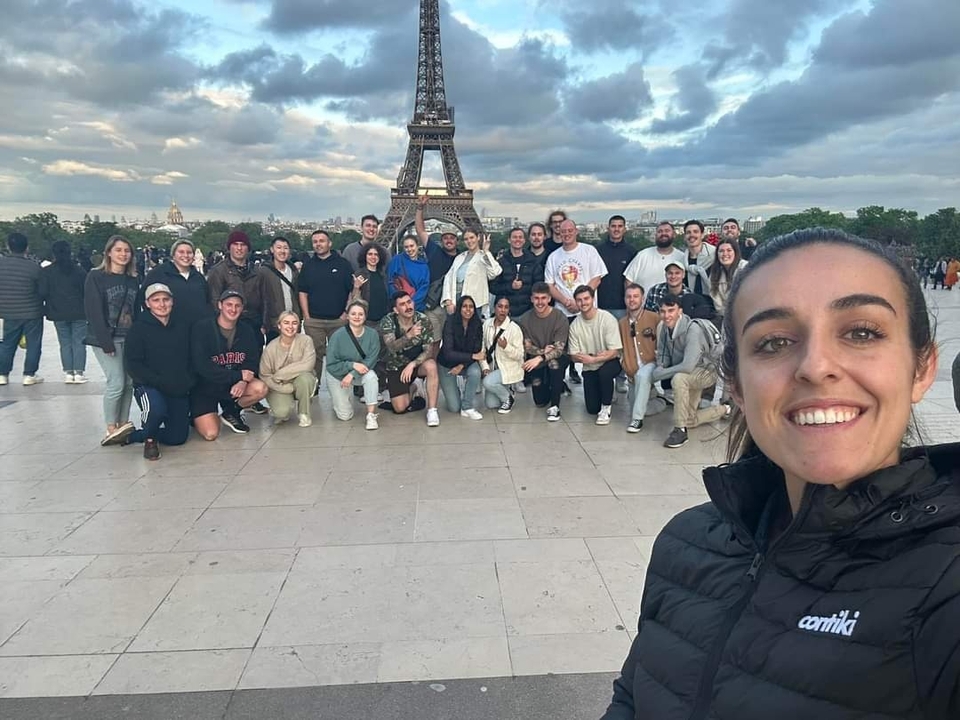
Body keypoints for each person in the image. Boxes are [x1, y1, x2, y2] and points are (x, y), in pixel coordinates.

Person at [602, 227, 960, 720]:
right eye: (773, 342)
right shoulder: (685, 543)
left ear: (921, 369)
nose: (815, 366)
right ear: (738, 388)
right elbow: (633, 698)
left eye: (861, 332)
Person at [123, 283, 194, 460]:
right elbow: (133, 364)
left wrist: (188, 379)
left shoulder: (183, 325)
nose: (161, 304)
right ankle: (149, 439)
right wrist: (158, 381)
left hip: (178, 386)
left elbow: (193, 355)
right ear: (147, 303)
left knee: (178, 438)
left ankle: (135, 435)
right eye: (156, 300)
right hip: (149, 386)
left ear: (172, 301)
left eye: (165, 300)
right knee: (155, 410)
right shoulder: (138, 329)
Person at [84, 235, 141, 445]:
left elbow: (135, 310)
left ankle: (123, 424)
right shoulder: (96, 277)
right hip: (106, 338)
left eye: (127, 251)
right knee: (116, 381)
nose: (123, 254)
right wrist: (105, 341)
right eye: (119, 250)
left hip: (128, 336)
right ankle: (110, 426)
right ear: (109, 253)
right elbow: (93, 311)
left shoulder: (133, 279)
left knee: (129, 382)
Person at [652, 295, 730, 448]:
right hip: (690, 374)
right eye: (663, 311)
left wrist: (659, 374)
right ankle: (725, 409)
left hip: (706, 371)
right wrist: (661, 365)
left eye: (671, 310)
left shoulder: (693, 329)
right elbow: (663, 353)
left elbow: (687, 366)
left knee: (679, 379)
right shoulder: (664, 328)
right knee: (690, 420)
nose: (666, 315)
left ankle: (680, 431)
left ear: (680, 311)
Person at [190, 290, 269, 438]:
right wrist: (237, 376)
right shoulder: (202, 328)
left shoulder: (246, 330)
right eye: (229, 305)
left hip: (231, 387)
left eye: (237, 306)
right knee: (211, 434)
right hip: (206, 387)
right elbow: (202, 366)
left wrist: (243, 381)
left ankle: (231, 411)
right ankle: (196, 416)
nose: (233, 309)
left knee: (260, 388)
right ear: (220, 305)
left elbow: (251, 362)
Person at [544, 218, 608, 387]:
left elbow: (597, 278)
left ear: (576, 231)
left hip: (586, 311)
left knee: (593, 347)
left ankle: (595, 383)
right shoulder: (553, 256)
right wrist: (566, 301)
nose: (566, 234)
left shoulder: (589, 251)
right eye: (563, 231)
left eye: (569, 231)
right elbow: (549, 285)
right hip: (563, 311)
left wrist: (579, 301)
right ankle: (560, 382)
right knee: (563, 350)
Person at [379, 291, 442, 426]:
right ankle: (414, 386)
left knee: (431, 365)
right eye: (402, 304)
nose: (408, 307)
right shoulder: (388, 321)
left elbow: (428, 350)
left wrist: (413, 364)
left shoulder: (423, 319)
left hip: (416, 364)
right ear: (396, 310)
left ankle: (432, 411)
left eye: (409, 302)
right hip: (396, 365)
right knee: (400, 408)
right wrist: (409, 335)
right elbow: (391, 347)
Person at [297, 230, 354, 376]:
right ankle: (314, 388)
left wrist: (345, 313)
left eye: (321, 241)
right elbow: (302, 291)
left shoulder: (343, 264)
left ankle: (340, 387)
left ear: (329, 243)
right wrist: (307, 316)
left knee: (340, 355)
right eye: (315, 242)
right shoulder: (308, 266)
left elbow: (351, 291)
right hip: (314, 320)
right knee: (313, 357)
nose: (318, 244)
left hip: (338, 320)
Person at [568, 285, 622, 425]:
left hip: (610, 362)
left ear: (593, 299)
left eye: (586, 298)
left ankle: (606, 408)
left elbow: (614, 351)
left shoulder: (607, 318)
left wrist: (593, 358)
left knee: (605, 373)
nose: (583, 303)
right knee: (592, 409)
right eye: (579, 300)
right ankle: (606, 392)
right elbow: (573, 355)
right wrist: (586, 358)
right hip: (589, 367)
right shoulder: (575, 325)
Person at [324, 301, 380, 430]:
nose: (357, 317)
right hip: (337, 374)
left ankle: (371, 415)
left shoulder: (372, 334)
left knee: (371, 377)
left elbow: (371, 360)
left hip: (359, 373)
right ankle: (341, 397)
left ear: (365, 317)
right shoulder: (337, 336)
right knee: (345, 415)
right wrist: (352, 365)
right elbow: (331, 364)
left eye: (361, 314)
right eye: (353, 313)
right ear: (347, 316)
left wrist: (352, 374)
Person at [518, 282, 570, 422]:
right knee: (539, 401)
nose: (540, 302)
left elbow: (559, 349)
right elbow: (527, 346)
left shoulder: (560, 317)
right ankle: (554, 384)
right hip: (537, 358)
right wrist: (542, 353)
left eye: (543, 298)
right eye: (536, 298)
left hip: (557, 358)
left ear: (549, 299)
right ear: (531, 299)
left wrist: (541, 357)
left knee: (553, 364)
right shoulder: (525, 319)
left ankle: (555, 406)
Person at [206, 230, 266, 347]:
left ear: (248, 249)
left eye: (243, 245)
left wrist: (264, 324)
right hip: (229, 325)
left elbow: (265, 299)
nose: (239, 248)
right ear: (229, 248)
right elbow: (214, 299)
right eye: (236, 244)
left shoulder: (257, 271)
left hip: (253, 325)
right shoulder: (218, 271)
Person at [0, 232, 44, 387]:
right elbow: (42, 290)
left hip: (8, 311)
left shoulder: (1, 265)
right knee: (33, 344)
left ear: (8, 246)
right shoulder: (34, 267)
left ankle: (3, 374)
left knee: (7, 343)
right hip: (32, 311)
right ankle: (29, 374)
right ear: (26, 248)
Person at [260, 311, 318, 428]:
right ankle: (280, 408)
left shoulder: (306, 341)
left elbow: (308, 364)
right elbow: (265, 375)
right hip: (279, 386)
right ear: (279, 325)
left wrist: (280, 375)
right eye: (286, 323)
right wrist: (285, 388)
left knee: (305, 379)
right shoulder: (270, 348)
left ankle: (304, 413)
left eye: (294, 323)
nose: (290, 327)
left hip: (297, 380)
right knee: (281, 413)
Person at [618, 283, 663, 433]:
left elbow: (664, 341)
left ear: (642, 298)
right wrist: (623, 363)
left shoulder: (655, 318)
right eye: (629, 296)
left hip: (652, 364)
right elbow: (619, 350)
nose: (632, 300)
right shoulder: (621, 324)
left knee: (643, 376)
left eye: (636, 296)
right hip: (632, 371)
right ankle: (661, 401)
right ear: (624, 299)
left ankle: (637, 420)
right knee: (639, 406)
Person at [414, 195, 459, 340]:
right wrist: (420, 208)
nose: (449, 240)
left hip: (453, 306)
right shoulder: (434, 250)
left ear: (457, 241)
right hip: (433, 306)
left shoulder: (462, 258)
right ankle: (432, 362)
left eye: (452, 238)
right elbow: (420, 231)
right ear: (441, 240)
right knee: (433, 340)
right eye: (446, 238)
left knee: (450, 341)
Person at [42, 240, 88, 384]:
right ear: (70, 253)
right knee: (79, 342)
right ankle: (79, 373)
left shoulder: (47, 272)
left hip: (57, 312)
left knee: (65, 343)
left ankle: (68, 372)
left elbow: (42, 292)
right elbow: (86, 291)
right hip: (79, 311)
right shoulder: (79, 270)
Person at [139, 239, 211, 329]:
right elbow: (143, 298)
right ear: (173, 255)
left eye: (189, 252)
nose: (185, 255)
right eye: (181, 252)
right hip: (169, 329)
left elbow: (207, 301)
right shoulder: (158, 273)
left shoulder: (198, 277)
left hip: (198, 330)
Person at [437, 295, 485, 419]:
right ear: (459, 308)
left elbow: (476, 350)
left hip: (465, 363)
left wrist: (461, 365)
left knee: (475, 372)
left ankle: (467, 407)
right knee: (453, 408)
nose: (468, 310)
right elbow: (448, 353)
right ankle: (456, 391)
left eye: (471, 307)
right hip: (446, 364)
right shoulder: (450, 322)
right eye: (464, 306)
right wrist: (472, 356)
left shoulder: (477, 323)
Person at [441, 227, 502, 319]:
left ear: (478, 237)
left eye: (472, 237)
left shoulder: (483, 257)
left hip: (475, 304)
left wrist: (486, 251)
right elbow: (448, 279)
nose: (469, 241)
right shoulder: (460, 257)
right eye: (466, 239)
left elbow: (495, 272)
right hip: (456, 301)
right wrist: (448, 301)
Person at [480, 297, 525, 414]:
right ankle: (507, 390)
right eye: (500, 306)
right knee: (491, 405)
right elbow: (482, 348)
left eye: (506, 307)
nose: (503, 310)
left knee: (487, 383)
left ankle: (508, 398)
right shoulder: (486, 325)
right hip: (493, 367)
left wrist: (506, 347)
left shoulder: (514, 328)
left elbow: (520, 355)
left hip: (509, 367)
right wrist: (485, 367)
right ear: (494, 308)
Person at [623, 221, 687, 296]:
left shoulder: (682, 257)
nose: (663, 234)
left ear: (674, 235)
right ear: (655, 235)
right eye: (660, 231)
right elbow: (628, 281)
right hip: (644, 307)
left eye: (667, 231)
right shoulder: (643, 255)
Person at [490, 227, 542, 318]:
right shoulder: (500, 263)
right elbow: (493, 287)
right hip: (506, 313)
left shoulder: (533, 262)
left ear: (524, 240)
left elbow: (539, 286)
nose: (517, 239)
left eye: (520, 237)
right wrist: (510, 287)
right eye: (514, 237)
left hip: (528, 312)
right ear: (509, 240)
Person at [596, 215, 637, 320]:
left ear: (625, 229)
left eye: (620, 226)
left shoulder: (631, 252)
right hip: (600, 305)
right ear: (608, 228)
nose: (616, 229)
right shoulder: (598, 251)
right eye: (613, 226)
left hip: (622, 307)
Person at [261, 236, 300, 345]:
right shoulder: (264, 272)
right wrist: (264, 322)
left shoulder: (293, 271)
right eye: (279, 247)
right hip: (274, 323)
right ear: (272, 250)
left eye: (285, 248)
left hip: (293, 321)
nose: (282, 251)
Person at [708, 238, 748, 324]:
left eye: (729, 250)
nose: (725, 254)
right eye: (721, 251)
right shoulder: (714, 273)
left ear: (735, 252)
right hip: (725, 317)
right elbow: (718, 304)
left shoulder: (746, 268)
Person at [386, 235, 431, 311]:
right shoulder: (397, 260)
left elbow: (424, 287)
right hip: (400, 306)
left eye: (412, 246)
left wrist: (411, 303)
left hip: (417, 307)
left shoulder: (424, 266)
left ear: (417, 246)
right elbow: (390, 281)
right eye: (406, 247)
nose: (409, 249)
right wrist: (401, 301)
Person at [352, 244, 390, 324]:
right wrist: (356, 287)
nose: (373, 257)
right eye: (370, 254)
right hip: (366, 321)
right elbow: (353, 300)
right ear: (364, 256)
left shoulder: (383, 275)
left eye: (376, 254)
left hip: (384, 320)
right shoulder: (359, 274)